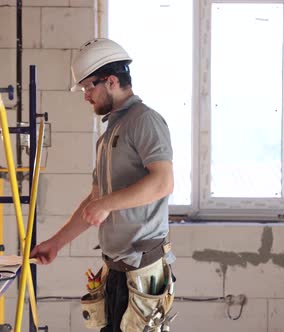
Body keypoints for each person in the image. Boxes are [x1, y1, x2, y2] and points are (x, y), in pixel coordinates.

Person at [30, 38, 175, 332]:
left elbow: (163, 182)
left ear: (111, 81)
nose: (85, 96)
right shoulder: (109, 134)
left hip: (142, 269)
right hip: (116, 269)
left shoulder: (145, 121)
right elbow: (95, 199)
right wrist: (55, 243)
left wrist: (107, 203)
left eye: (88, 87)